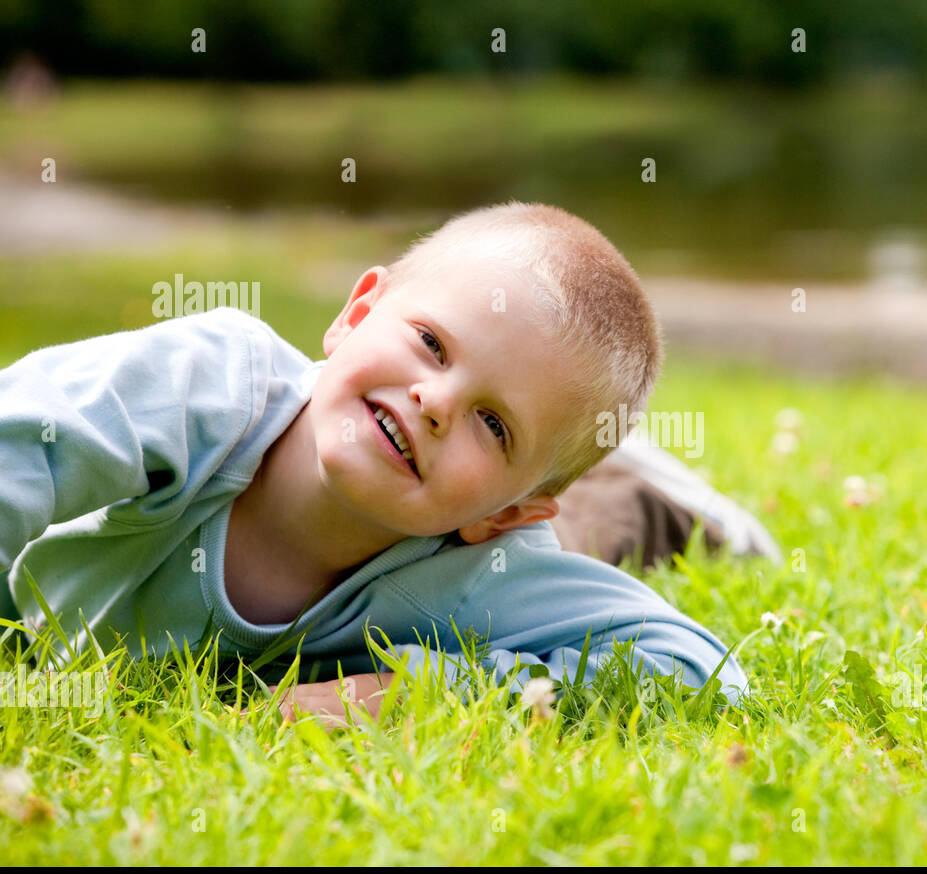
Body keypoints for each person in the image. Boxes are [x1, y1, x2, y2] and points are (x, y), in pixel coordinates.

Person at [0, 201, 777, 724]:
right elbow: (22, 436)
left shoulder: (492, 562)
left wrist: (424, 688)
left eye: (492, 422)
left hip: (494, 529)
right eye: (432, 344)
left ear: (505, 514)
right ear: (356, 313)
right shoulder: (205, 385)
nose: (435, 400)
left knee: (599, 521)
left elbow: (704, 679)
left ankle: (649, 490)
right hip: (473, 496)